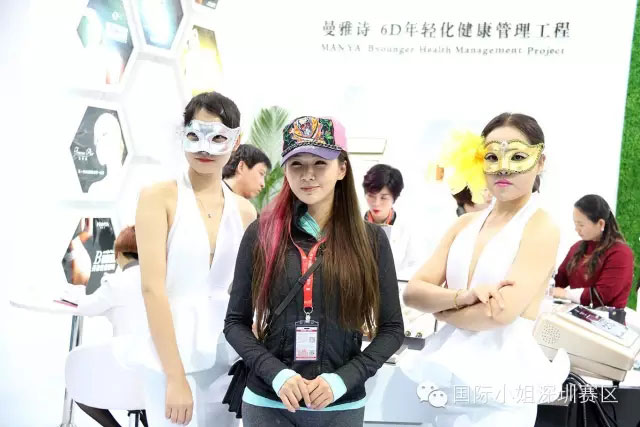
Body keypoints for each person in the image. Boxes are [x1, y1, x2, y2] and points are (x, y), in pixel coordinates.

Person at [224, 116, 404, 426]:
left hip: (341, 406)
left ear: (342, 169)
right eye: (296, 164)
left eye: (320, 163)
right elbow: (235, 323)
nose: (308, 175)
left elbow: (392, 329)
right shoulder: (261, 234)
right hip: (269, 401)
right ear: (286, 170)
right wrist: (276, 374)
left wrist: (342, 380)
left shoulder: (371, 240)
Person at [403, 113, 569, 426]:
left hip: (502, 393)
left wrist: (440, 309)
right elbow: (413, 292)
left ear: (540, 162)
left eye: (517, 156)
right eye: (492, 157)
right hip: (446, 384)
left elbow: (499, 314)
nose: (503, 167)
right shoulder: (464, 224)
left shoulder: (540, 226)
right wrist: (463, 297)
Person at [134, 91, 256, 426]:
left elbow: (245, 292)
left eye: (217, 138)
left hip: (226, 357)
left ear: (235, 141)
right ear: (183, 133)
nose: (205, 148)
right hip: (168, 355)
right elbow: (152, 289)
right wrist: (174, 377)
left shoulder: (245, 211)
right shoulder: (158, 197)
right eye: (195, 135)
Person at [69, 225, 148, 427]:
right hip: (158, 374)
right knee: (146, 399)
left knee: (79, 386)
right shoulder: (161, 281)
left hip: (126, 370)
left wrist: (75, 291)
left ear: (118, 254)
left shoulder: (116, 283)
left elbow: (85, 307)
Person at [553, 194, 634, 308]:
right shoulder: (577, 248)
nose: (576, 229)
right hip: (576, 314)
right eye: (575, 224)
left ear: (600, 224)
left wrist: (565, 294)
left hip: (604, 317)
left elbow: (602, 295)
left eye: (581, 225)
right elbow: (559, 280)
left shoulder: (621, 253)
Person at [362, 163, 422, 279]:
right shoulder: (354, 224)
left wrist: (391, 279)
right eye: (371, 196)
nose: (376, 203)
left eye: (383, 197)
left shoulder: (408, 228)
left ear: (394, 198)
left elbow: (416, 266)